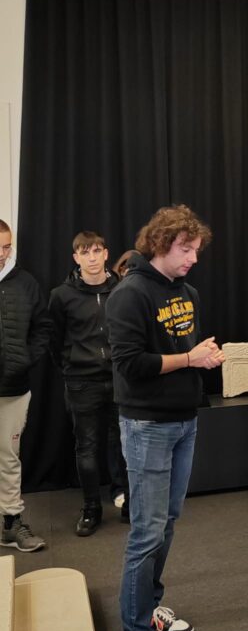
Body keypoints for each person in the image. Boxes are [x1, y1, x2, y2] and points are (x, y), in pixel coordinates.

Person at [106, 204, 225, 631]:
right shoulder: (129, 294)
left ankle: (149, 606)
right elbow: (130, 364)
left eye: (196, 250)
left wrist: (201, 358)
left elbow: (181, 352)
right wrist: (189, 359)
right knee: (146, 532)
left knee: (167, 523)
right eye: (186, 249)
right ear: (160, 244)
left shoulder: (187, 292)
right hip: (146, 425)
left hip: (183, 421)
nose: (193, 259)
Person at [49, 230, 128, 535]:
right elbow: (55, 340)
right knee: (87, 447)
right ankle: (91, 508)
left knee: (125, 442)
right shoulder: (61, 295)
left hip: (120, 379)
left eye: (97, 251)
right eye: (85, 252)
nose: (92, 258)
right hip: (82, 382)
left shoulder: (123, 289)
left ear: (106, 254)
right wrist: (72, 365)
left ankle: (130, 501)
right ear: (76, 258)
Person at [0, 219, 51, 552]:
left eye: (6, 247)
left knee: (8, 457)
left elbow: (43, 327)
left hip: (13, 387)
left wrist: (24, 360)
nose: (2, 254)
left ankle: (11, 523)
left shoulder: (26, 283)